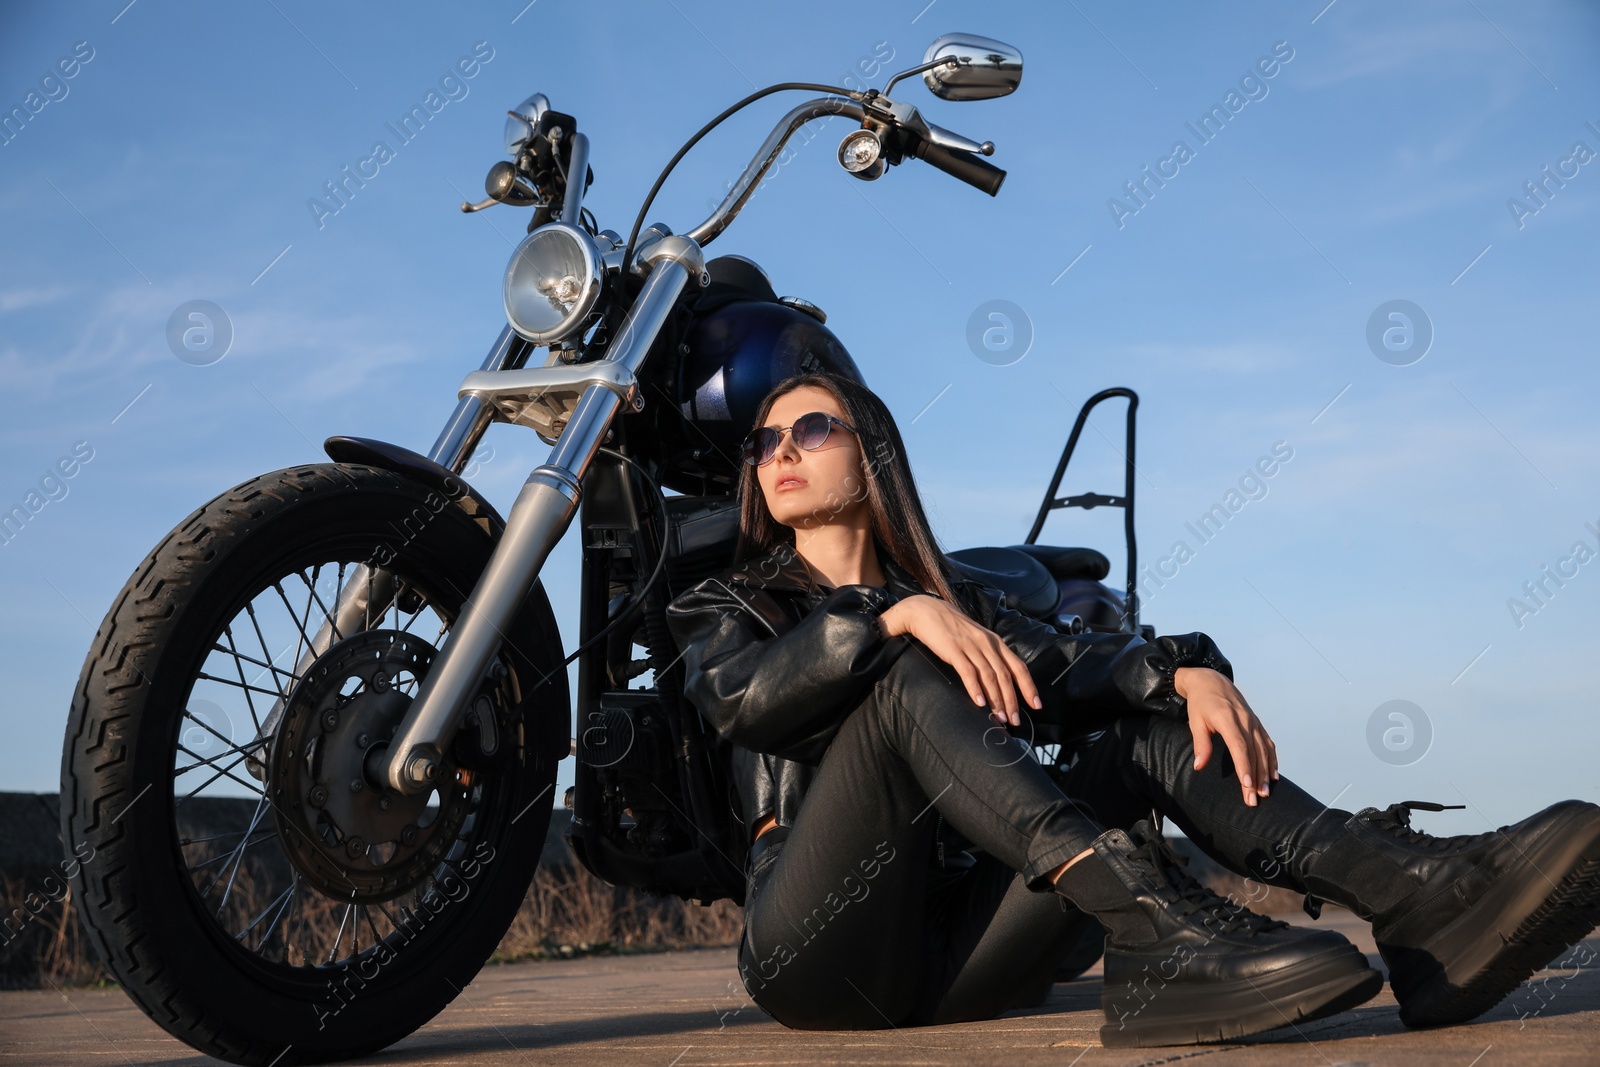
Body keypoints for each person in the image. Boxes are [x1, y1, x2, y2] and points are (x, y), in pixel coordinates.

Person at [662, 371, 1600, 1048]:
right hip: (816, 953)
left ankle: (1416, 896)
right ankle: (1154, 919)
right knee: (905, 671)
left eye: (811, 430)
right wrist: (889, 612)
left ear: (873, 457)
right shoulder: (726, 605)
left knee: (1135, 733)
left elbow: (1073, 666)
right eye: (765, 441)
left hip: (958, 949)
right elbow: (745, 700)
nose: (779, 451)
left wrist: (1180, 669)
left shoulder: (960, 604)